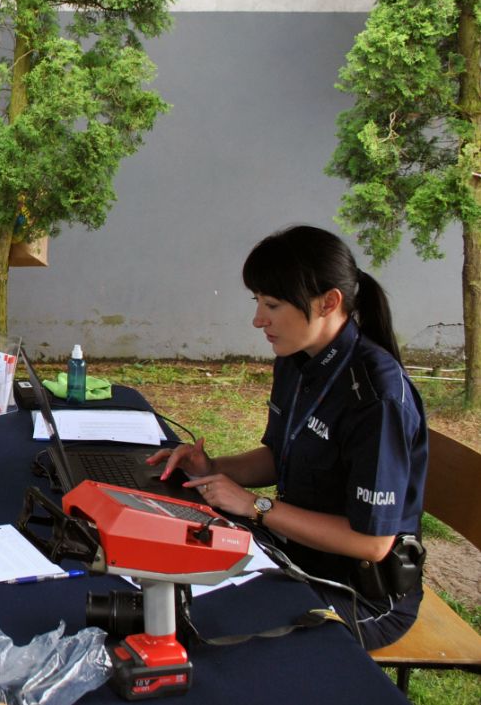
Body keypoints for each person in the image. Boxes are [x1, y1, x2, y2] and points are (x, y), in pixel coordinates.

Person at [150, 225, 427, 650]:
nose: (258, 320)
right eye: (257, 302)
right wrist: (212, 469)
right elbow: (280, 456)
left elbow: (372, 543)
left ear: (329, 302)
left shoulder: (376, 396)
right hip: (295, 553)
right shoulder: (297, 361)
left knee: (211, 623)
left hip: (361, 593)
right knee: (168, 582)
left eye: (272, 305)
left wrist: (256, 506)